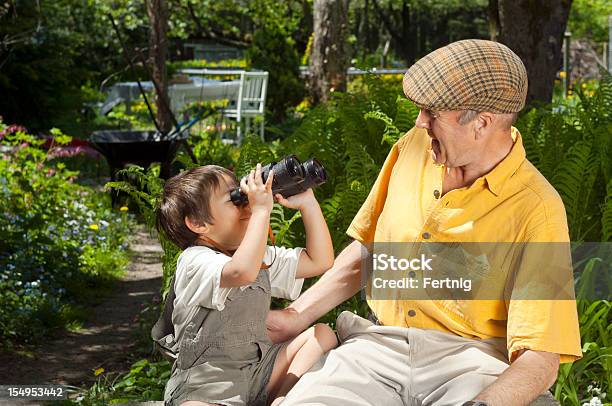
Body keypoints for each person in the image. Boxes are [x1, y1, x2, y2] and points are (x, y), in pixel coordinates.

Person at [268, 39, 582, 406]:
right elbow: (369, 250)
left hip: (473, 363)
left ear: (482, 123)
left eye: (433, 112)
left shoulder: (536, 208)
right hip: (375, 349)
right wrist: (295, 315)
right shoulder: (413, 147)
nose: (420, 121)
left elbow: (541, 357)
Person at [155, 163, 337, 406]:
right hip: (207, 386)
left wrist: (308, 203)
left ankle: (281, 399)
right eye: (235, 199)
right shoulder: (194, 260)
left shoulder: (257, 256)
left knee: (321, 334)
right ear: (198, 224)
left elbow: (320, 261)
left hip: (259, 370)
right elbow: (241, 271)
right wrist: (261, 212)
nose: (246, 203)